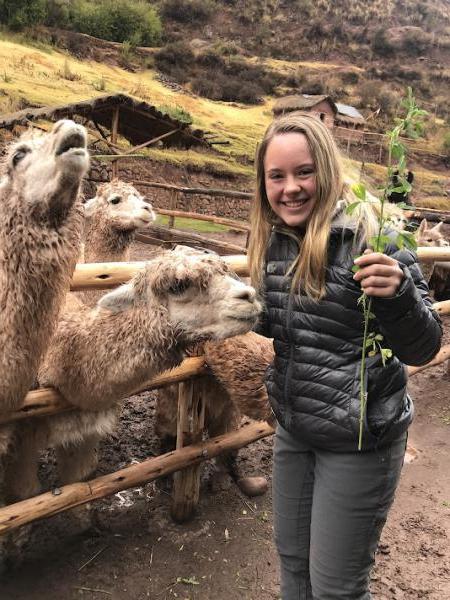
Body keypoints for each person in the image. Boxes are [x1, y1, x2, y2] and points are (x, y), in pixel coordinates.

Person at [247, 112, 442, 600]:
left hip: (360, 439)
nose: (290, 188)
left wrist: (398, 294)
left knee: (337, 587)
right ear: (264, 183)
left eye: (304, 172)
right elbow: (278, 325)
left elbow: (423, 346)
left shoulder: (375, 236)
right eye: (277, 176)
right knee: (293, 568)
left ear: (328, 171)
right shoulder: (275, 242)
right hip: (296, 430)